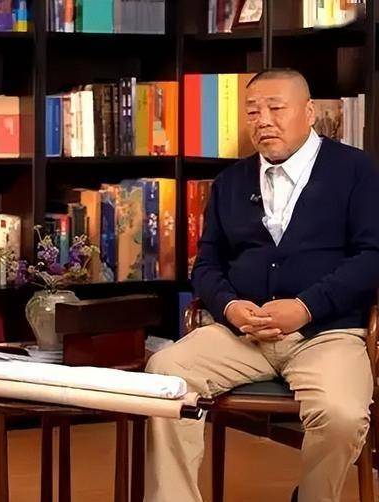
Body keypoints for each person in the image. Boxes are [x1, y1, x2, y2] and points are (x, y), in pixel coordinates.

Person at [145, 68, 379, 502]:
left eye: (276, 108)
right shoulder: (230, 182)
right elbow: (206, 265)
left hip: (325, 333)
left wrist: (306, 307)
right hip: (240, 335)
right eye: (253, 111)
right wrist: (230, 307)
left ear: (309, 112)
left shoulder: (356, 170)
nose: (263, 120)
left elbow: (372, 258)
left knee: (342, 415)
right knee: (166, 374)